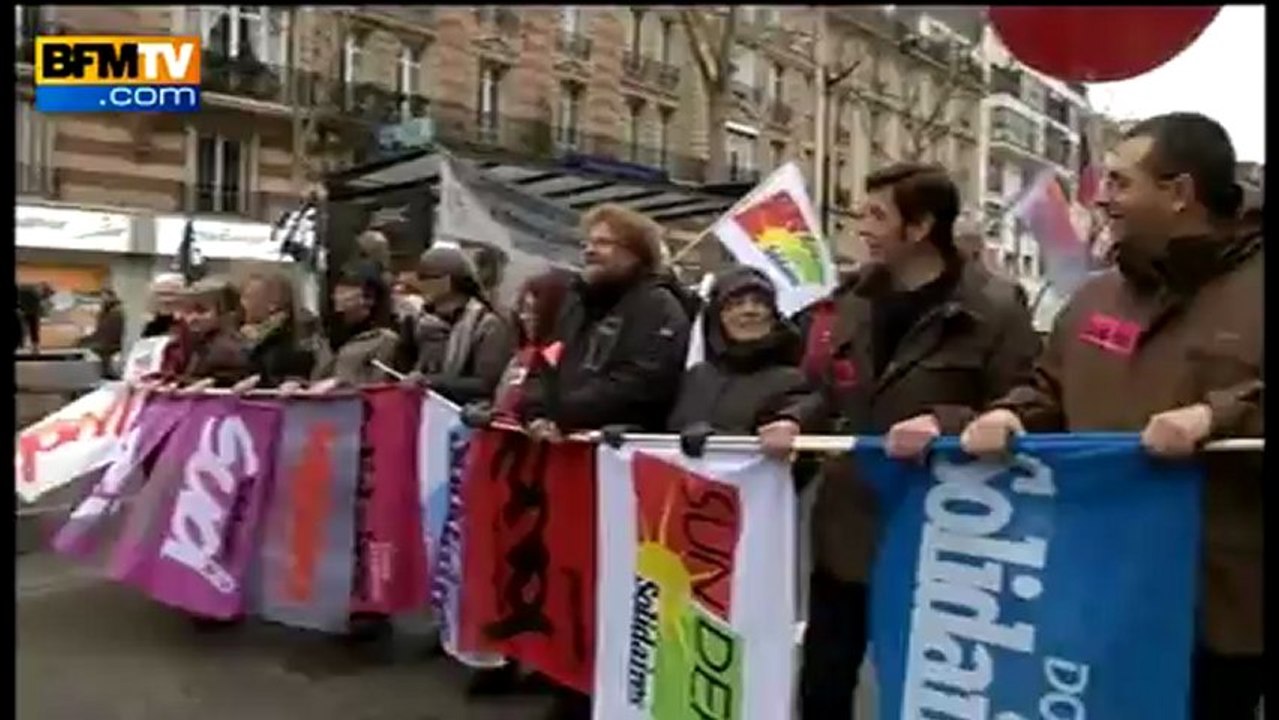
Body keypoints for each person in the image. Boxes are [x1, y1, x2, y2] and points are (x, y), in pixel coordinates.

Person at [959, 113, 1263, 720]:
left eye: (1122, 183)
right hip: (1098, 586)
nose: (1102, 197)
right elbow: (1049, 387)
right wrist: (1012, 416)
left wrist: (1216, 415)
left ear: (1179, 193)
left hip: (1221, 605)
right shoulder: (1095, 295)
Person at [769, 163, 1039, 720]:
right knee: (823, 680)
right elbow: (824, 388)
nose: (860, 225)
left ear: (919, 228)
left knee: (925, 689)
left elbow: (1024, 404)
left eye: (875, 215)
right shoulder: (851, 297)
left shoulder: (997, 306)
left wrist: (944, 421)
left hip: (943, 534)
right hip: (845, 528)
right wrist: (795, 419)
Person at [516, 204, 691, 720]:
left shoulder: (659, 307)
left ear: (636, 252)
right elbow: (547, 362)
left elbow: (644, 382)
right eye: (588, 241)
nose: (590, 249)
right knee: (568, 576)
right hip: (570, 462)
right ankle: (569, 680)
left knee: (614, 584)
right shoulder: (575, 302)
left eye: (605, 242)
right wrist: (535, 411)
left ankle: (606, 689)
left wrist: (564, 415)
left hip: (621, 469)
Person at [667, 266, 823, 456]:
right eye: (736, 303)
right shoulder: (695, 377)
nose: (749, 311)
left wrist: (789, 423)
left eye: (760, 303)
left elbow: (809, 413)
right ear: (718, 317)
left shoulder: (794, 380)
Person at [411, 245, 514, 406]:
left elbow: (486, 384)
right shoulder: (422, 322)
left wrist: (431, 382)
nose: (421, 284)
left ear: (448, 280)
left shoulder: (487, 325)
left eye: (427, 278)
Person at [309, 264, 400, 387]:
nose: (339, 297)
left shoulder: (383, 339)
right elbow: (314, 376)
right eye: (338, 291)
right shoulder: (325, 335)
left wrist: (341, 384)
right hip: (318, 402)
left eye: (346, 291)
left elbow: (380, 385)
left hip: (354, 402)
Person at [238, 272, 320, 389]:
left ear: (273, 304)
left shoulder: (293, 341)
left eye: (247, 297)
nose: (241, 303)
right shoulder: (248, 338)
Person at [171, 279, 252, 388]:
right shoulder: (194, 343)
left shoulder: (228, 350)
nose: (192, 318)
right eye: (188, 311)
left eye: (202, 311)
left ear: (226, 313)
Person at [84, 288, 125, 378]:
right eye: (101, 297)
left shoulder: (115, 312)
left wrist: (91, 339)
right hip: (105, 343)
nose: (102, 299)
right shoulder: (107, 311)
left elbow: (108, 331)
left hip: (108, 344)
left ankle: (107, 375)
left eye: (104, 297)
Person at [141, 273, 185, 338]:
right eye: (161, 294)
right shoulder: (153, 324)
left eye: (170, 294)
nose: (166, 300)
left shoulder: (186, 324)